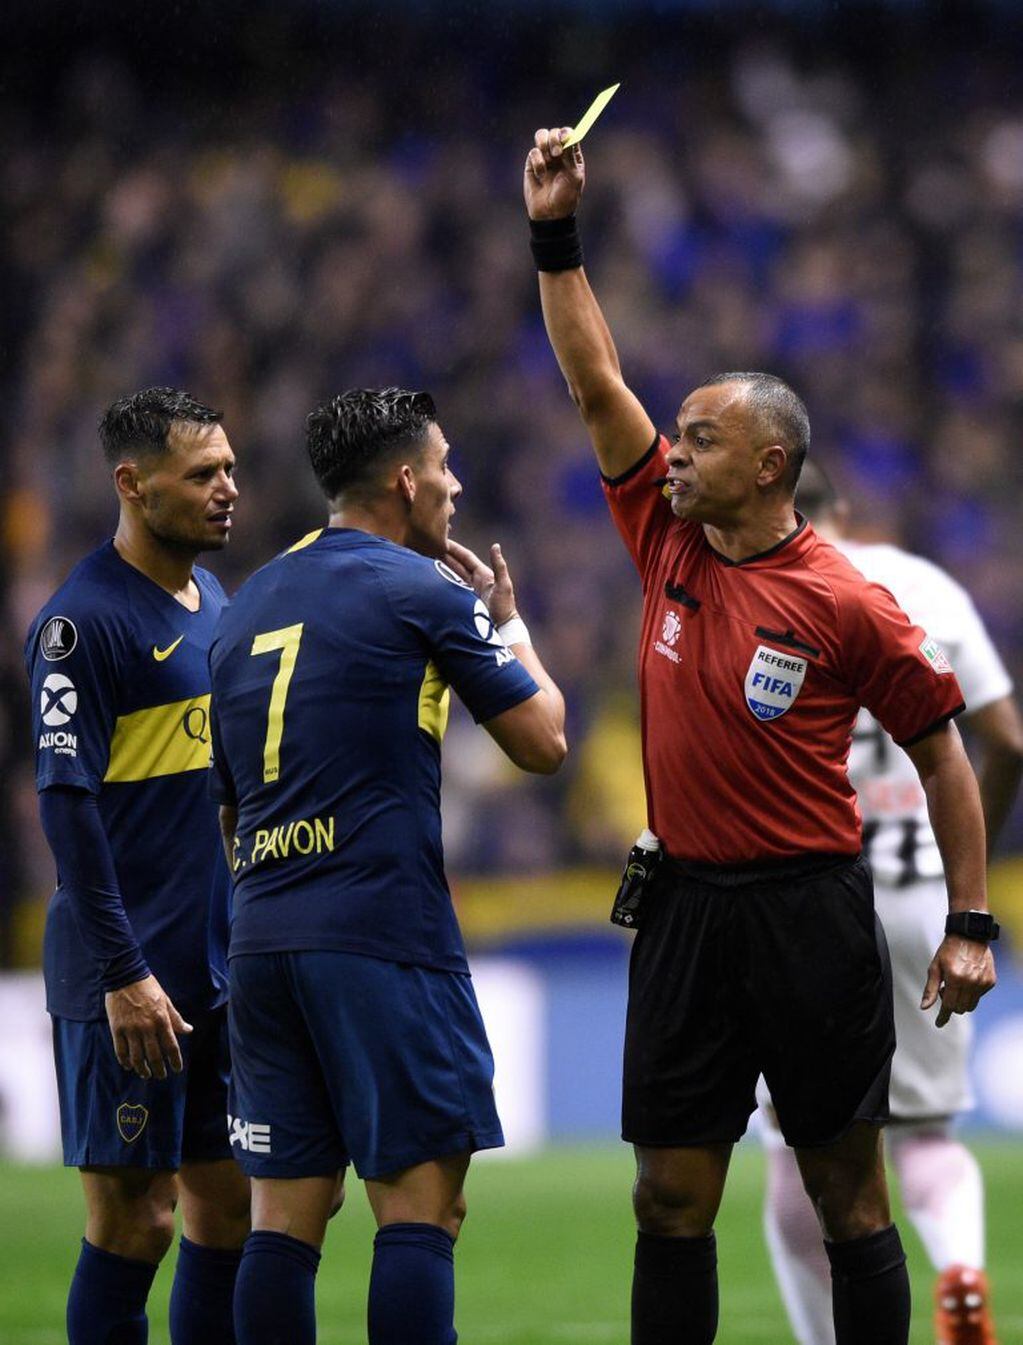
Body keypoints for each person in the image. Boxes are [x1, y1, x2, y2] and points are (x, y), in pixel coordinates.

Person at [523, 127, 999, 1345]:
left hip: (811, 913)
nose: (672, 454)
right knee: (667, 1195)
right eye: (675, 436)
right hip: (684, 909)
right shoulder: (665, 537)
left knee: (847, 1193)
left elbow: (948, 754)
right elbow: (593, 382)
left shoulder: (848, 601)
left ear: (771, 464)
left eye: (701, 440)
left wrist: (969, 923)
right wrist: (555, 233)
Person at [207, 386, 566, 1345]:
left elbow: (231, 805)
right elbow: (542, 739)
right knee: (420, 1210)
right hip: (381, 936)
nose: (455, 484)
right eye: (444, 465)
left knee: (282, 1221)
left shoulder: (243, 609)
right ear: (406, 480)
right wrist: (504, 623)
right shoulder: (422, 591)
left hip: (263, 937)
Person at [759, 463, 1023, 1345]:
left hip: (809, 893)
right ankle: (958, 1271)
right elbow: (1007, 738)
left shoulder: (770, 585)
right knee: (925, 1130)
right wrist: (967, 858)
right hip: (921, 894)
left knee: (795, 1153)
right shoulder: (927, 588)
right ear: (850, 511)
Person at [24, 387, 251, 1344]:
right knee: (135, 1218)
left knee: (231, 1207)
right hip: (123, 975)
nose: (228, 489)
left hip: (213, 970)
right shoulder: (81, 626)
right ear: (132, 484)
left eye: (231, 468)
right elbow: (66, 807)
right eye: (203, 474)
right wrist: (123, 972)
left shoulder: (217, 604)